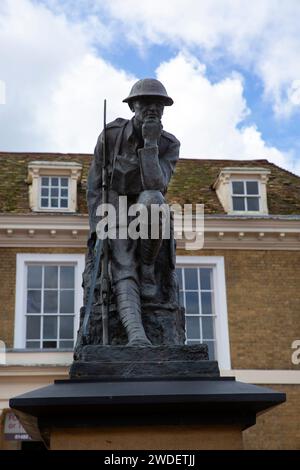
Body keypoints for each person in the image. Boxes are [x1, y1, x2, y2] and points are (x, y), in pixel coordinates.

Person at [84, 78, 181, 346]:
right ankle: (136, 334)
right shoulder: (111, 136)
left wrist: (150, 144)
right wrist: (96, 228)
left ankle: (148, 267)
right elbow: (94, 184)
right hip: (114, 207)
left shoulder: (168, 144)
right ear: (133, 106)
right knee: (122, 259)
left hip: (147, 209)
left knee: (153, 198)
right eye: (146, 103)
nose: (152, 109)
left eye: (158, 104)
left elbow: (156, 184)